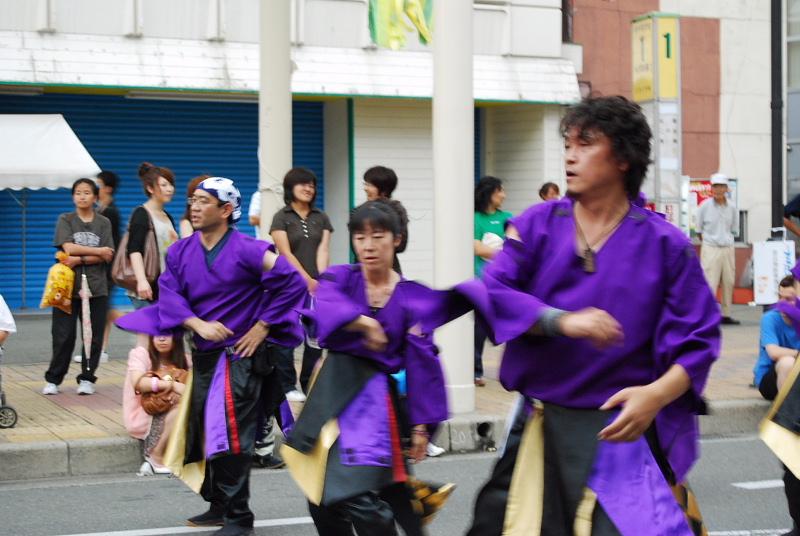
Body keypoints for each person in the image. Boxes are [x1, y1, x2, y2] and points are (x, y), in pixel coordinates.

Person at [465, 96, 720, 535]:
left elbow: (700, 340)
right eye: (568, 142)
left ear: (622, 157)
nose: (569, 154)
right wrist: (559, 320)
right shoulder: (538, 224)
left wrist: (656, 395)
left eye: (585, 143)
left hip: (622, 433)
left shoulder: (665, 244)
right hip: (542, 428)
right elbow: (492, 291)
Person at [117, 176, 306, 536]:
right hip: (203, 354)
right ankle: (219, 505)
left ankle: (239, 519)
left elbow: (292, 283)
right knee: (203, 433)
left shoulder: (251, 250)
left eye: (205, 201)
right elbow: (169, 294)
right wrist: (196, 323)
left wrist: (263, 326)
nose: (195, 206)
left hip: (241, 359)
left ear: (225, 210)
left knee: (230, 436)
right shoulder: (180, 251)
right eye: (193, 200)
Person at [283, 201, 455, 536]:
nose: (368, 245)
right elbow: (324, 306)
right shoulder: (340, 278)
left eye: (378, 236)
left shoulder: (413, 296)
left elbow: (423, 362)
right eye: (360, 237)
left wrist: (421, 427)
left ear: (397, 240)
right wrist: (362, 322)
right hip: (332, 393)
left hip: (376, 404)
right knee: (321, 493)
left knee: (356, 492)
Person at [43, 178, 115, 396]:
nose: (82, 196)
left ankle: (87, 378)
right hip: (66, 288)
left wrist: (80, 259)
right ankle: (54, 380)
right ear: (73, 196)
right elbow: (68, 248)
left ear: (95, 197)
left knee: (92, 336)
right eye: (78, 192)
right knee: (63, 336)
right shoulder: (65, 219)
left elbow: (108, 254)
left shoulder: (104, 223)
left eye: (87, 192)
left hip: (97, 288)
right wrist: (96, 252)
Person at [270, 167, 334, 402]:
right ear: (290, 187)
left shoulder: (322, 217)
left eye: (311, 184)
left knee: (315, 336)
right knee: (287, 334)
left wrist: (322, 279)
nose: (308, 188)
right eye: (303, 184)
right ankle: (287, 385)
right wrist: (306, 279)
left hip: (317, 286)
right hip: (288, 285)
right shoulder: (282, 217)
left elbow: (323, 249)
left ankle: (309, 384)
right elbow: (284, 253)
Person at [123, 331, 191, 475]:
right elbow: (138, 383)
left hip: (170, 409)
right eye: (157, 334)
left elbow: (194, 390)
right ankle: (155, 456)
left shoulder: (185, 360)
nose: (161, 339)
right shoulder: (140, 355)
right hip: (143, 413)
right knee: (182, 409)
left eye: (167, 334)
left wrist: (179, 394)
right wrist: (171, 385)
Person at [472, 176, 512, 387]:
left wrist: (499, 254)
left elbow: (516, 245)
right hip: (481, 281)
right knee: (480, 327)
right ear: (490, 193)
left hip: (505, 282)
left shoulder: (508, 217)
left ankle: (511, 372)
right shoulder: (475, 219)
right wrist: (503, 255)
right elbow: (477, 248)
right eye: (500, 191)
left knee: (511, 325)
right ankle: (475, 371)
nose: (503, 195)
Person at [126, 162, 178, 309]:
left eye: (170, 185)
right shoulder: (141, 214)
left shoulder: (167, 216)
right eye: (164, 185)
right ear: (150, 188)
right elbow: (134, 250)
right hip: (147, 287)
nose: (170, 189)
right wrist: (142, 281)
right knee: (150, 331)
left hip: (163, 287)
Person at [85, 171, 122, 365]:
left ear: (107, 188)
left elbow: (112, 242)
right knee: (104, 310)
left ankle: (136, 322)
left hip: (107, 268)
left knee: (101, 310)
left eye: (98, 183)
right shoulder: (101, 209)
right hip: (101, 267)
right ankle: (101, 350)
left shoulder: (111, 212)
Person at [697, 172, 740, 325]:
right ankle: (707, 315)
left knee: (728, 281)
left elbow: (735, 229)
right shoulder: (704, 206)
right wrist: (710, 242)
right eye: (715, 186)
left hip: (728, 247)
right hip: (710, 247)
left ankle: (726, 315)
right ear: (711, 188)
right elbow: (699, 230)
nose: (718, 190)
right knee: (710, 281)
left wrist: (726, 240)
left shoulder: (733, 208)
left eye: (721, 186)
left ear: (726, 188)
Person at [755, 275, 799, 401]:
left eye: (789, 299)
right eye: (780, 297)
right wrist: (797, 354)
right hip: (770, 381)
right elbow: (773, 352)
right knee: (787, 362)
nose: (782, 303)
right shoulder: (770, 318)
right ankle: (786, 415)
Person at [363, 166, 409, 274]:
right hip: (363, 270)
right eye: (365, 184)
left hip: (389, 270)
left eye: (369, 185)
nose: (365, 188)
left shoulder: (397, 211)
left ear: (383, 189)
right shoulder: (361, 211)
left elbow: (402, 245)